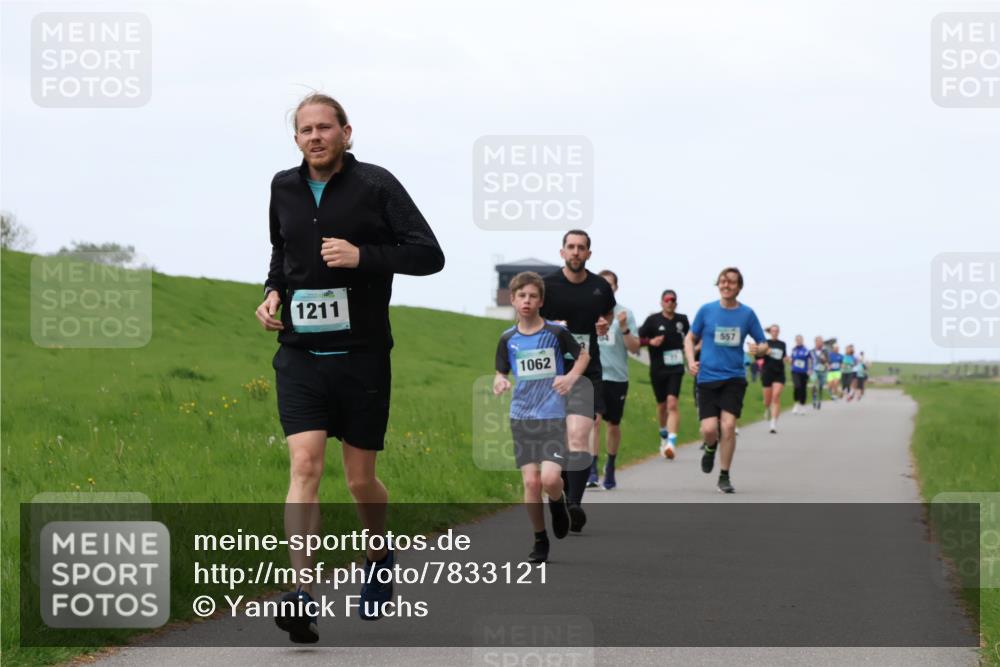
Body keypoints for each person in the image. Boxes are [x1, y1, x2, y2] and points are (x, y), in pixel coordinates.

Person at [257, 93, 445, 643]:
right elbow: (280, 251)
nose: (314, 136)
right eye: (305, 130)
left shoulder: (376, 185)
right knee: (305, 467)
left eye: (324, 127)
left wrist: (364, 256)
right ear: (296, 139)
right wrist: (272, 293)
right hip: (299, 355)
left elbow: (429, 255)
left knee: (360, 479)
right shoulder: (282, 187)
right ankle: (302, 593)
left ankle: (379, 550)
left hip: (361, 357)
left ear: (346, 132)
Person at [494, 272, 586, 562]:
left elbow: (583, 355)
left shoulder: (556, 333)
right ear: (513, 299)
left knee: (549, 479)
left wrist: (570, 378)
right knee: (532, 483)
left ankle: (558, 502)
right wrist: (500, 381)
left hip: (552, 416)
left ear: (541, 300)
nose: (527, 301)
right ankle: (540, 539)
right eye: (522, 295)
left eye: (533, 296)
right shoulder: (508, 338)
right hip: (521, 417)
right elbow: (501, 370)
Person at [540, 230, 616, 531]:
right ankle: (557, 494)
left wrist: (603, 323)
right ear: (562, 252)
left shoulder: (599, 287)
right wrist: (551, 327)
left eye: (581, 248)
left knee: (579, 436)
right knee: (556, 439)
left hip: (587, 372)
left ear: (588, 254)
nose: (575, 252)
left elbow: (607, 312)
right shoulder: (547, 286)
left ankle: (574, 503)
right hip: (552, 374)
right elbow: (526, 320)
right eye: (570, 247)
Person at [684, 267, 768, 494]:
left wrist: (758, 348)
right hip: (707, 378)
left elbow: (763, 343)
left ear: (739, 287)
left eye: (731, 282)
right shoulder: (706, 311)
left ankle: (724, 475)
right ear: (718, 285)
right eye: (722, 281)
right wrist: (691, 360)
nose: (726, 285)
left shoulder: (747, 314)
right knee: (710, 429)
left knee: (728, 426)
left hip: (734, 378)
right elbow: (690, 338)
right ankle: (711, 448)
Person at [592, 270, 639, 490]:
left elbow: (635, 348)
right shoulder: (588, 310)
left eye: (610, 285)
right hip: (594, 374)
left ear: (616, 288)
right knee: (593, 420)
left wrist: (623, 327)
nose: (606, 288)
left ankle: (610, 465)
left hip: (617, 377)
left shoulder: (625, 314)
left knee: (613, 424)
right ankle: (591, 468)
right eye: (603, 285)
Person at [638, 290, 690, 459]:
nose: (670, 302)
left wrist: (692, 355)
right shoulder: (652, 320)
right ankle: (663, 434)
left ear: (676, 303)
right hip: (658, 369)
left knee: (672, 403)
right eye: (667, 300)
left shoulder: (682, 320)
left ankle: (671, 444)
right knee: (661, 406)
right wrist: (650, 342)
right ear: (661, 302)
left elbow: (691, 339)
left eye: (673, 300)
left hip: (676, 368)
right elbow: (636, 339)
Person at [761, 324, 787, 433]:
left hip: (779, 373)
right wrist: (764, 351)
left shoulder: (782, 344)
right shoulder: (765, 343)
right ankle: (767, 408)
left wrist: (787, 359)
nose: (775, 332)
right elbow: (758, 356)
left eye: (776, 331)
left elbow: (783, 356)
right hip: (767, 372)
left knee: (776, 397)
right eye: (773, 331)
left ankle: (773, 423)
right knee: (767, 401)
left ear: (779, 332)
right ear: (770, 332)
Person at [789, 335, 810, 415]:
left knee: (803, 389)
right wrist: (790, 361)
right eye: (797, 340)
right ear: (795, 341)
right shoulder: (794, 350)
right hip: (795, 371)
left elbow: (811, 360)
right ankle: (796, 404)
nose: (799, 341)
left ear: (802, 340)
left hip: (804, 372)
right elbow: (791, 359)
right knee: (797, 386)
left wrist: (810, 369)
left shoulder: (806, 350)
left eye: (800, 340)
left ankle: (803, 405)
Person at [810, 336, 829, 410]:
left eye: (821, 342)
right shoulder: (811, 351)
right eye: (818, 341)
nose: (820, 343)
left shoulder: (825, 351)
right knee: (814, 384)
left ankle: (819, 400)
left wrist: (824, 360)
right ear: (815, 342)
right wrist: (809, 369)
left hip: (823, 371)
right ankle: (814, 399)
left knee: (821, 386)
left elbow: (828, 361)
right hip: (814, 370)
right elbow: (809, 360)